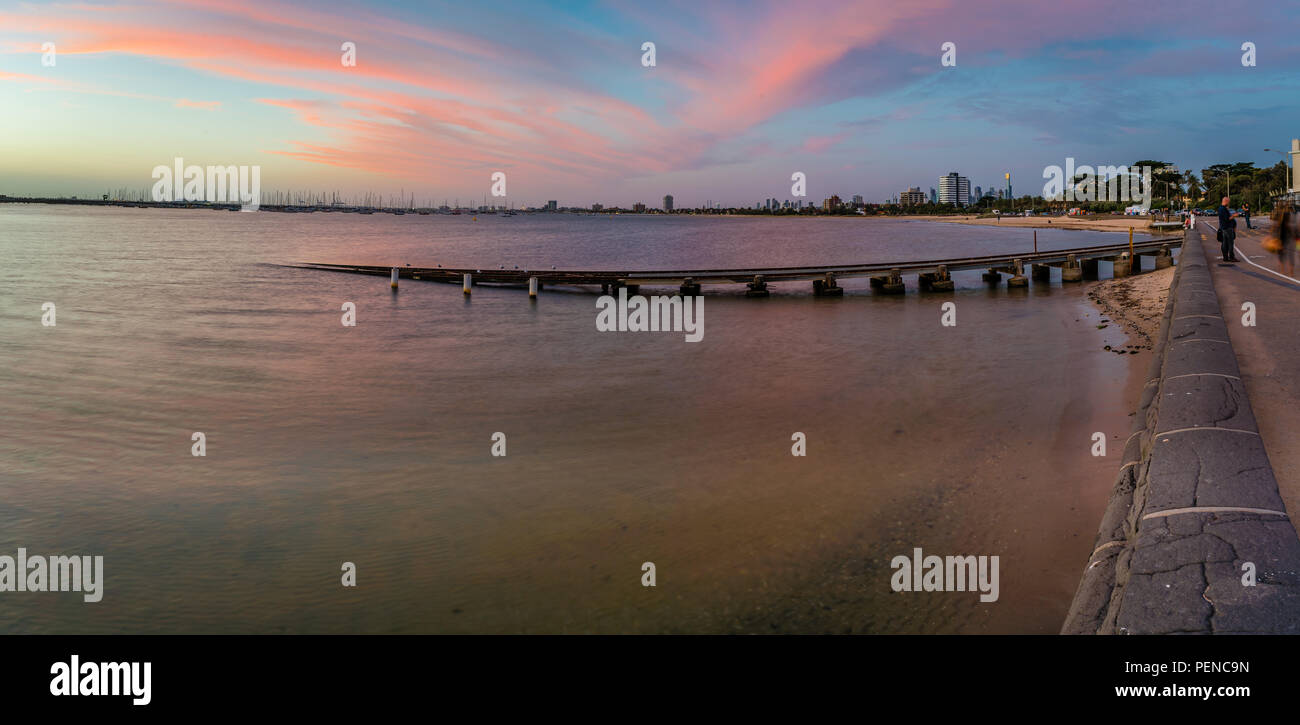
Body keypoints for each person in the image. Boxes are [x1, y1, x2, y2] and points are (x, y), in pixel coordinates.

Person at [1217, 196, 1238, 262]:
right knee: (1230, 243)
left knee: (1225, 243)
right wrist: (1234, 216)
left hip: (1223, 228)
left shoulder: (1221, 208)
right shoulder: (1223, 209)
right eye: (1228, 202)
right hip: (1227, 228)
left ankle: (1225, 257)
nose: (1229, 203)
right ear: (1226, 201)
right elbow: (1227, 219)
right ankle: (1231, 257)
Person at [1280, 207, 1296, 276]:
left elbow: (1281, 234)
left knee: (1283, 255)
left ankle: (1283, 270)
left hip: (1285, 240)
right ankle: (1290, 272)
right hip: (1290, 240)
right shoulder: (1292, 223)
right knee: (1290, 256)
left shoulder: (1283, 223)